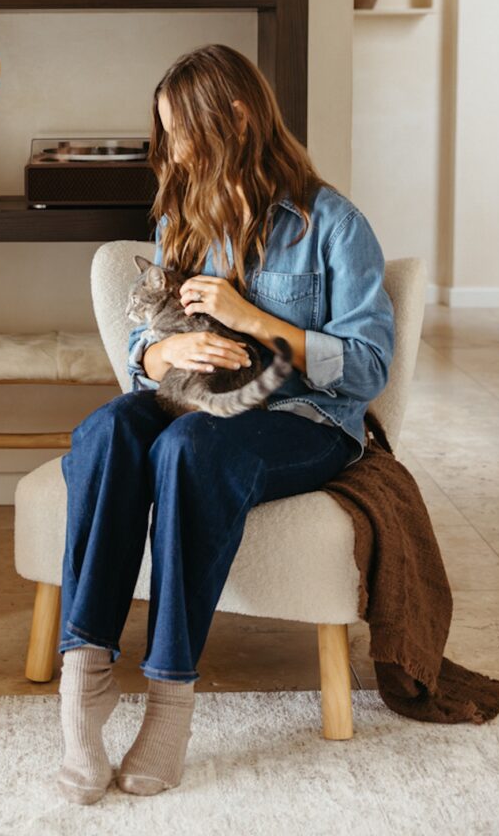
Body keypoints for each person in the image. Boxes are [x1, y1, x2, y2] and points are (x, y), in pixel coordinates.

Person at [54, 43, 395, 805]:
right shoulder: (185, 212)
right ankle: (86, 680)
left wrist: (255, 320)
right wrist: (163, 348)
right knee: (107, 431)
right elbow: (146, 340)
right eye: (167, 132)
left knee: (187, 449)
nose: (172, 149)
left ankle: (170, 699)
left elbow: (369, 369)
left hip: (304, 419)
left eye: (182, 130)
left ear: (235, 117)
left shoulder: (332, 224)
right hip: (197, 399)